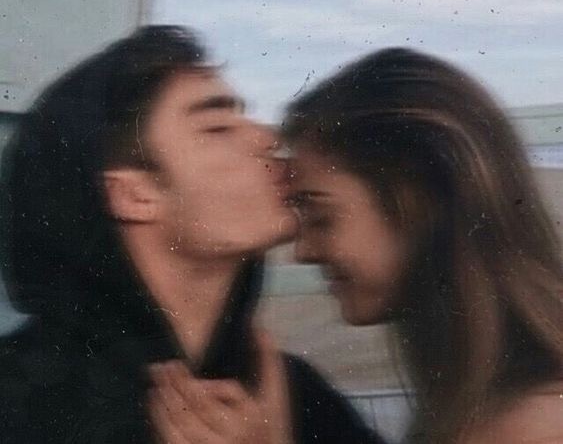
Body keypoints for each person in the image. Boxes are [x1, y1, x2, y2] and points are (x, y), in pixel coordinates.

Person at [0, 26, 383, 443]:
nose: (268, 137)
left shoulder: (295, 398)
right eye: (217, 127)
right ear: (133, 195)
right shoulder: (18, 406)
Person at [284, 48, 563, 443]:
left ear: (418, 201)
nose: (303, 251)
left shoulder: (525, 428)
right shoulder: (494, 401)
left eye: (321, 217)